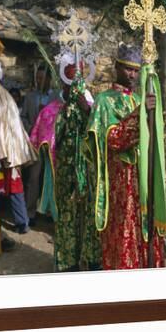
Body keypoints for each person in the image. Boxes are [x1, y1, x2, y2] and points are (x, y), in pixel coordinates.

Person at [85, 44, 165, 269]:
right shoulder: (104, 101)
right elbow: (113, 139)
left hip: (144, 179)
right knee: (124, 230)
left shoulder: (140, 99)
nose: (132, 74)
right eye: (128, 69)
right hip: (121, 183)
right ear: (117, 67)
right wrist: (139, 116)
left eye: (136, 70)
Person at [53, 62, 101, 272]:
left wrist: (88, 111)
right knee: (68, 216)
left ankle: (92, 260)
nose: (71, 92)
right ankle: (68, 261)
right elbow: (56, 138)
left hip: (89, 175)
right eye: (69, 87)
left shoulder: (94, 109)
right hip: (67, 173)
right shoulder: (62, 112)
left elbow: (100, 134)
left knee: (90, 216)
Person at [0, 59, 38, 234]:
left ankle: (20, 221)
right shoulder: (7, 95)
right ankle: (21, 221)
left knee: (4, 184)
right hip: (15, 147)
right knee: (15, 184)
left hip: (3, 148)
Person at [21, 65, 56, 225]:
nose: (39, 81)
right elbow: (23, 117)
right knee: (33, 178)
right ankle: (30, 212)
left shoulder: (56, 97)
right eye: (37, 78)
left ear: (49, 79)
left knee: (51, 177)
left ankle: (50, 211)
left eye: (42, 78)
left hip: (51, 144)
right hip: (35, 142)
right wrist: (33, 127)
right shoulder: (30, 97)